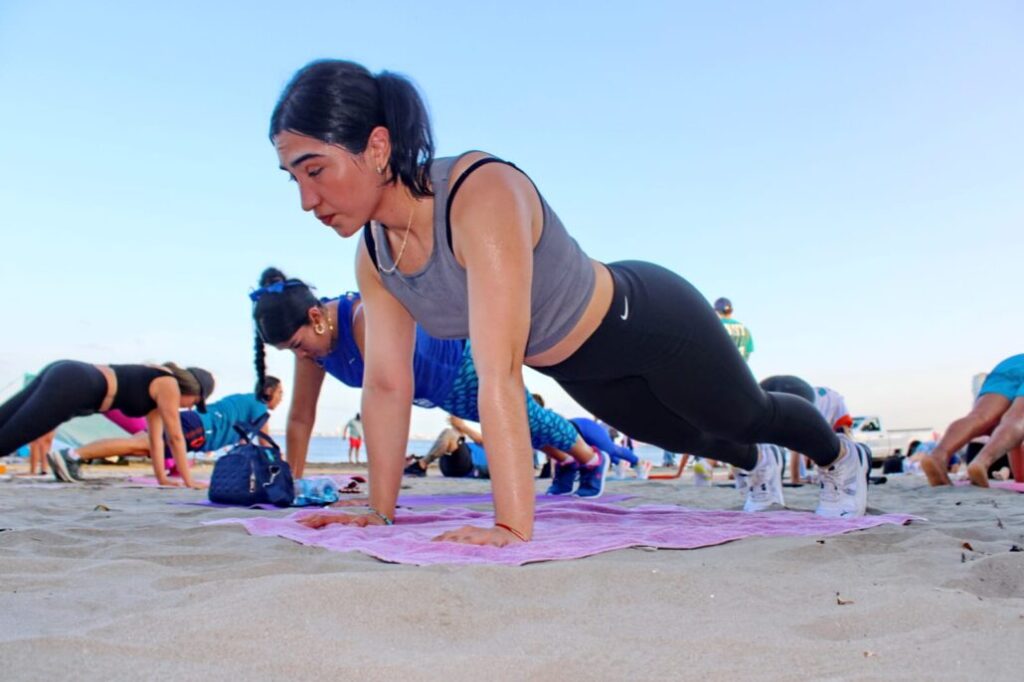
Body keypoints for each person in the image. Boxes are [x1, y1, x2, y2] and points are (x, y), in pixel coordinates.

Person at [269, 59, 867, 545]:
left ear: (376, 147)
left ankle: (841, 455)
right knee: (694, 437)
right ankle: (757, 465)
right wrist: (378, 511)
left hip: (646, 320)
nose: (306, 199)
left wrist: (510, 526)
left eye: (315, 169)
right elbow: (388, 386)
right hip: (577, 366)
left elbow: (498, 372)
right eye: (293, 178)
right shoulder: (376, 255)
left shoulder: (480, 194)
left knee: (746, 413)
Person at [249, 268, 608, 496]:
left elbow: (386, 401)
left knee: (522, 417)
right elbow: (300, 417)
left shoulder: (360, 321)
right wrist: (292, 484)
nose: (299, 356)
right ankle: (565, 461)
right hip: (436, 389)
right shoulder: (313, 350)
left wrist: (380, 500)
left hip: (459, 364)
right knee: (509, 424)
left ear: (316, 317)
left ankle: (589, 460)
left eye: (296, 345)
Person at [0, 361, 214, 489]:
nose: (188, 409)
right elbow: (176, 438)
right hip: (73, 384)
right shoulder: (169, 385)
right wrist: (189, 481)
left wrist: (162, 478)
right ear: (192, 391)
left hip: (67, 372)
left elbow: (156, 441)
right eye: (194, 403)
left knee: (5, 422)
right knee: (10, 437)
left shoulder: (158, 387)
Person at [64, 379, 284, 474]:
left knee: (138, 447)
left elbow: (244, 441)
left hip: (193, 422)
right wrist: (284, 467)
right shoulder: (258, 406)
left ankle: (74, 456)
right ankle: (73, 454)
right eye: (280, 393)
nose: (281, 398)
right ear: (270, 390)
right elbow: (266, 446)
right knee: (138, 444)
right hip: (197, 429)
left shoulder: (244, 399)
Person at [921, 354, 1024, 487]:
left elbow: (1016, 443)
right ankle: (981, 461)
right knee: (1017, 420)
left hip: (1011, 364)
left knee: (979, 416)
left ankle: (938, 455)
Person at [714, 297, 754, 362]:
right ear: (731, 310)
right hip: (739, 370)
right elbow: (748, 352)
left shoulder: (716, 326)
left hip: (720, 367)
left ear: (716, 311)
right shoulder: (744, 329)